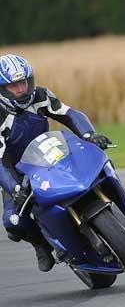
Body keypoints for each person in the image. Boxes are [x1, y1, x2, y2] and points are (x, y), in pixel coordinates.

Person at [0, 54, 113, 271]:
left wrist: (89, 135)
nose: (21, 90)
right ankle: (41, 245)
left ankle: (115, 196)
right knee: (13, 222)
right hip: (17, 174)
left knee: (98, 161)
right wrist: (14, 188)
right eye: (14, 86)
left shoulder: (40, 95)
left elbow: (69, 114)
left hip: (51, 155)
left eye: (24, 83)